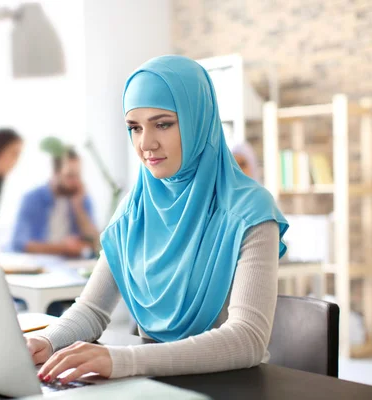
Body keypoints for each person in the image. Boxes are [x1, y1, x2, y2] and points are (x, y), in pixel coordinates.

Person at [26, 55, 289, 382]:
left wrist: (124, 359)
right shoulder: (133, 209)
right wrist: (45, 341)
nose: (145, 144)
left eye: (163, 124)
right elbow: (91, 310)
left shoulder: (251, 210)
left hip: (231, 387)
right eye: (134, 127)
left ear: (198, 119)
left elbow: (247, 339)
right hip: (153, 384)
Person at [10, 148, 98, 257]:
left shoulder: (81, 199)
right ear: (55, 173)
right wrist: (63, 248)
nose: (76, 181)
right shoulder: (32, 199)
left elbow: (95, 243)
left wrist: (79, 208)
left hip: (72, 266)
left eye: (78, 175)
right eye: (70, 175)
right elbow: (19, 243)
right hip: (39, 264)